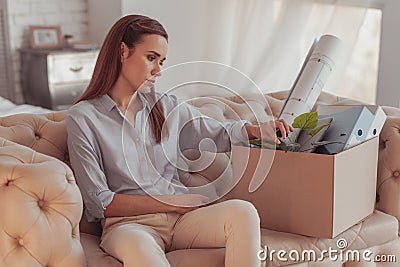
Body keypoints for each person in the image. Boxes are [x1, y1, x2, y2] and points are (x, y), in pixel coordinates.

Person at [66, 14, 293, 267]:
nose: (158, 71)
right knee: (140, 250)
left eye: (161, 61)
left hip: (180, 221)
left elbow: (216, 133)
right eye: (151, 58)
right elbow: (100, 202)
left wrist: (255, 130)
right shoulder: (83, 117)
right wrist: (169, 201)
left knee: (243, 212)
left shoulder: (166, 106)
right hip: (130, 227)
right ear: (122, 51)